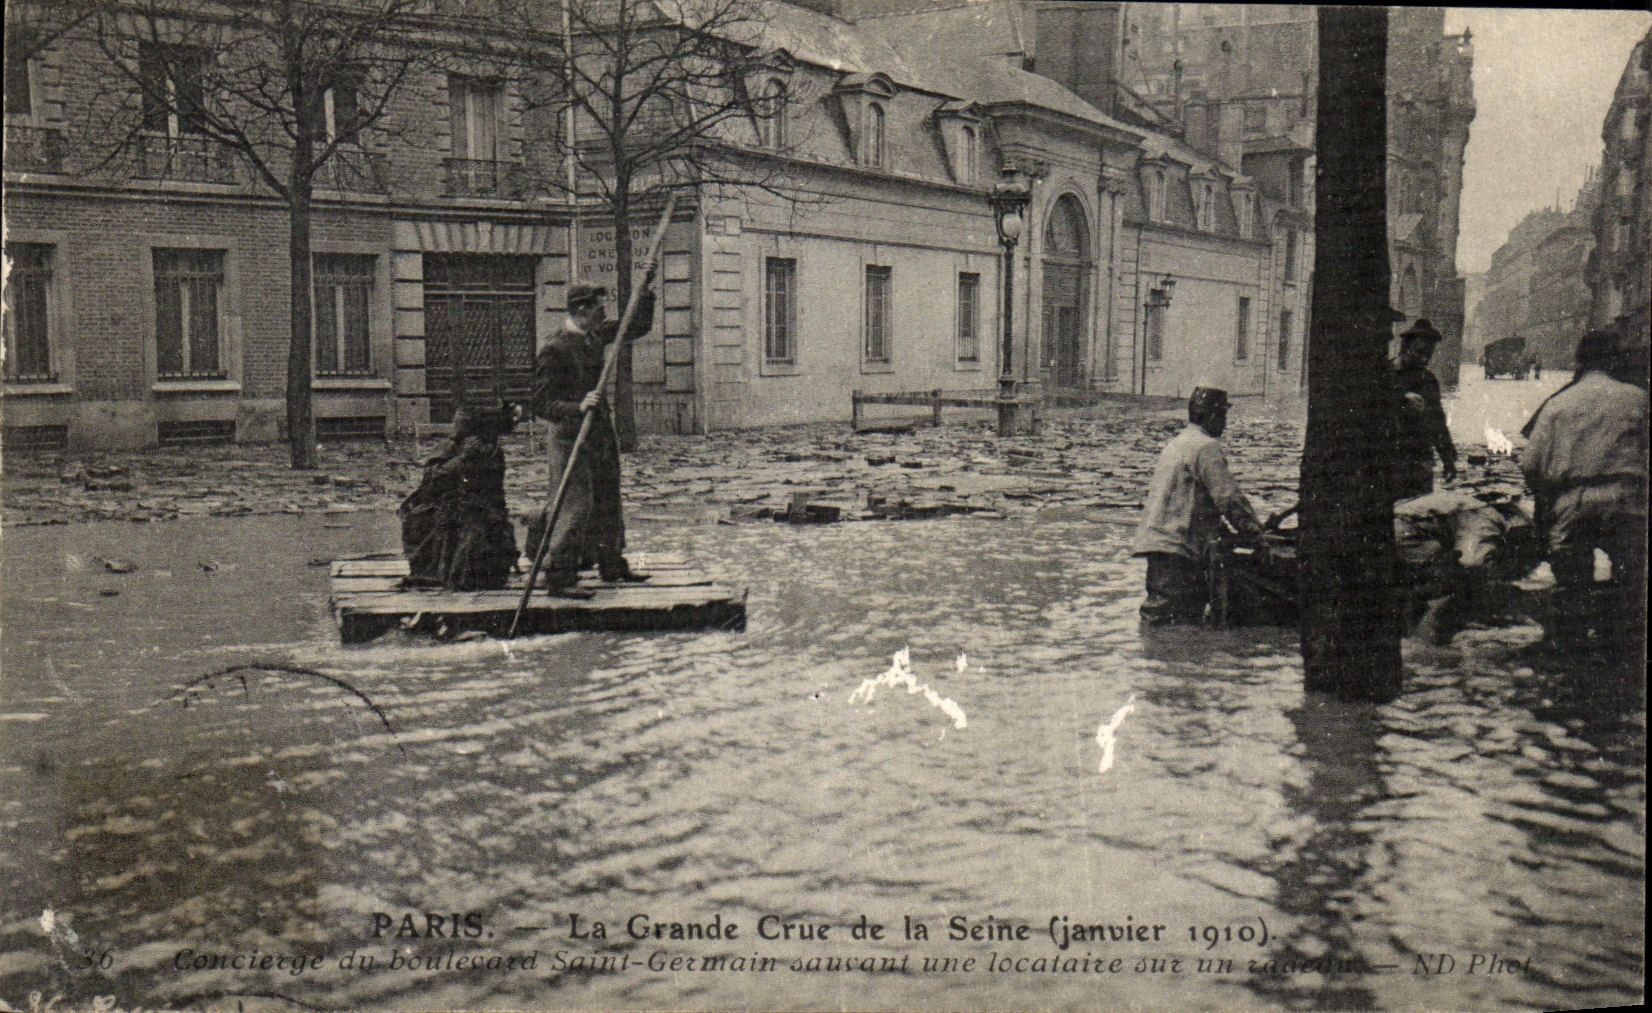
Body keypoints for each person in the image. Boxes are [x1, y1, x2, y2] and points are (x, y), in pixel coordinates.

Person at [1520, 329, 1649, 653]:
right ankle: (1618, 645)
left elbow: (1531, 463)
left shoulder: (1558, 403)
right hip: (1628, 498)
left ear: (1579, 361)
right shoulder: (1637, 398)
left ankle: (1570, 651)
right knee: (1630, 579)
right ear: (1615, 360)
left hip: (1574, 500)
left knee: (1572, 583)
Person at [529, 280, 656, 591]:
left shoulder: (595, 335)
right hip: (569, 435)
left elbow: (635, 326)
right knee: (576, 504)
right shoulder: (554, 348)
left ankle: (612, 565)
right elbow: (540, 403)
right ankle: (559, 575)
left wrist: (646, 291)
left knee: (608, 497)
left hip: (599, 430)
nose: (605, 313)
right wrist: (578, 406)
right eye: (600, 307)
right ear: (583, 309)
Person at [1134, 386, 1264, 625]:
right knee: (1180, 623)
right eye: (1223, 416)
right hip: (1180, 551)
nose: (1225, 424)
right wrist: (1254, 531)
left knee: (1159, 619)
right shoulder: (1207, 447)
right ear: (1210, 416)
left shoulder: (1176, 444)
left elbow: (1194, 502)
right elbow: (1229, 499)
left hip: (1159, 546)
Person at [399, 401, 521, 591]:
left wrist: (456, 461)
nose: (456, 429)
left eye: (460, 425)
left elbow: (440, 478)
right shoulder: (474, 446)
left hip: (476, 519)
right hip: (465, 512)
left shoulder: (479, 450)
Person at [1393, 319, 1458, 500]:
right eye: (1419, 352)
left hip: (1420, 460)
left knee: (1419, 513)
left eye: (1429, 354)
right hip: (1388, 459)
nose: (1424, 359)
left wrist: (1448, 459)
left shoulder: (1428, 380)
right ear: (1406, 347)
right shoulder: (1387, 373)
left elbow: (1438, 422)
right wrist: (1401, 399)